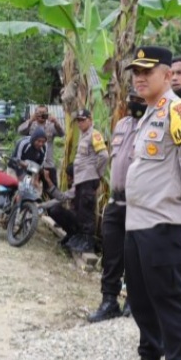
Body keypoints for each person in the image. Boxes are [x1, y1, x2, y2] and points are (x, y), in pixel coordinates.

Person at [109, 46, 181, 360]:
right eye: (136, 71)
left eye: (147, 71)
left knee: (170, 300)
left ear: (168, 76)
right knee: (139, 296)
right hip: (138, 222)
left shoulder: (179, 111)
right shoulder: (148, 114)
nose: (139, 77)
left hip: (164, 221)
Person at [86, 95, 147, 322]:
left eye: (139, 98)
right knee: (111, 255)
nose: (134, 102)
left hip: (138, 204)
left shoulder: (152, 124)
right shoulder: (121, 125)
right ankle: (109, 301)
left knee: (134, 255)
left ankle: (133, 301)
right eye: (131, 97)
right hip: (115, 201)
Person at [65, 108, 109, 253]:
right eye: (78, 120)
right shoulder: (83, 136)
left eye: (83, 120)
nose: (80, 123)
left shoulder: (94, 135)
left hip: (89, 179)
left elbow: (104, 156)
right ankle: (79, 237)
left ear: (90, 120)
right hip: (81, 180)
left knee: (86, 211)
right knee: (79, 209)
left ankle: (88, 241)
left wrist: (97, 173)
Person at [17, 104, 65, 192]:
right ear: (35, 113)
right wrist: (30, 120)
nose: (41, 115)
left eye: (44, 113)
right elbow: (19, 131)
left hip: (48, 164)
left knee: (51, 190)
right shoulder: (31, 125)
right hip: (32, 165)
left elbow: (62, 134)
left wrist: (56, 122)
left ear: (47, 114)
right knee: (29, 190)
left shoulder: (51, 125)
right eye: (38, 113)